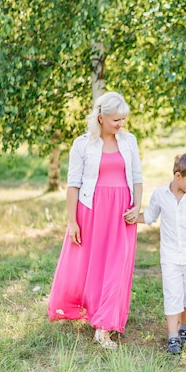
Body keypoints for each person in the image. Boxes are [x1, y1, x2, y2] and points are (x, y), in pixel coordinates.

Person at [48, 92, 143, 349]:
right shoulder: (82, 144)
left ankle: (104, 326)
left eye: (123, 119)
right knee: (95, 265)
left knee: (117, 265)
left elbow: (136, 176)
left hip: (122, 212)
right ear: (100, 118)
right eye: (116, 120)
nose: (121, 124)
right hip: (92, 210)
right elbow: (73, 185)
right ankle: (98, 318)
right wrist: (72, 221)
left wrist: (137, 206)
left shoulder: (129, 141)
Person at [136, 154, 186, 354]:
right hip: (169, 256)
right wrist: (131, 217)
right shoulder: (160, 195)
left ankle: (183, 328)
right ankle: (172, 337)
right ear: (178, 176)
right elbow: (149, 216)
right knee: (172, 294)